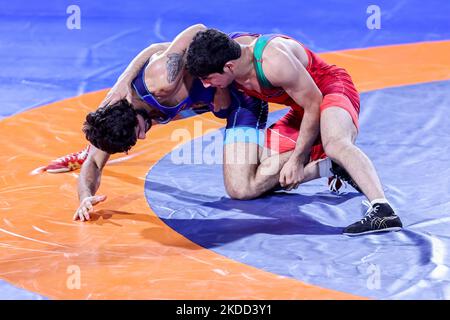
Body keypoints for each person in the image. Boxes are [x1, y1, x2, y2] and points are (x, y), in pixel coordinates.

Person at [51, 25, 353, 224]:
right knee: (242, 188)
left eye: (138, 133)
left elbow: (199, 32)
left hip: (240, 100)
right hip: (226, 104)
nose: (142, 138)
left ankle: (319, 146)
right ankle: (329, 165)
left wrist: (221, 88)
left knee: (245, 182)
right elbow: (93, 162)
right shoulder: (113, 120)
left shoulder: (162, 78)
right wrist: (85, 196)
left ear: (137, 122)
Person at [186, 29, 403, 236]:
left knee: (335, 143)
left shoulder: (273, 61)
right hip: (302, 109)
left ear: (229, 67)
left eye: (208, 79)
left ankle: (383, 210)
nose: (206, 85)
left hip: (329, 91)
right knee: (248, 182)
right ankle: (330, 166)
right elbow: (186, 38)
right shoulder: (226, 51)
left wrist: (298, 159)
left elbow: (315, 104)